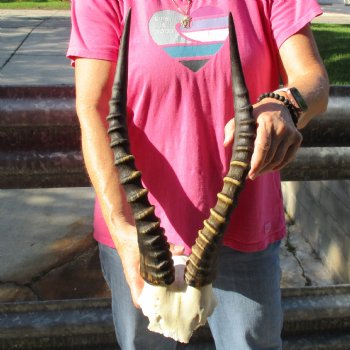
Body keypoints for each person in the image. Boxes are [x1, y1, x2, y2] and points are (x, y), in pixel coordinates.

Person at [67, 1, 329, 349]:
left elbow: (314, 80)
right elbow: (92, 106)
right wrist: (122, 228)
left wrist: (285, 104)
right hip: (140, 233)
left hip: (241, 223)